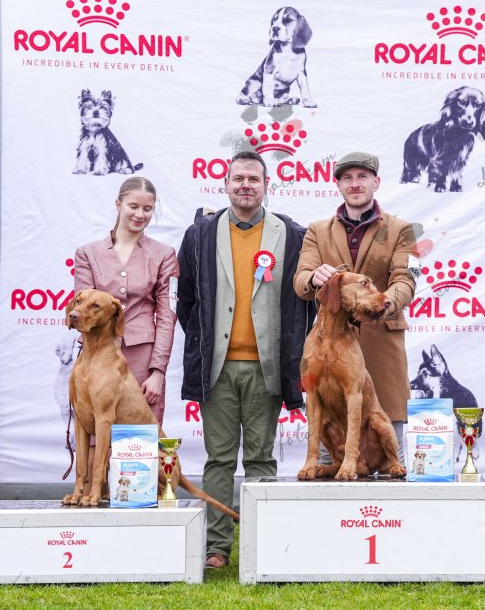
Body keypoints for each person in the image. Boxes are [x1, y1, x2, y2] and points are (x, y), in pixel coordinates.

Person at [177, 151, 313, 570]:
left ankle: (261, 542)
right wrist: (204, 342)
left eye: (254, 178)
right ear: (225, 185)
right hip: (217, 367)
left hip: (266, 368)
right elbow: (187, 301)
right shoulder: (199, 235)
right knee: (218, 458)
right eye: (238, 178)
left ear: (267, 185)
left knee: (260, 458)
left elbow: (301, 303)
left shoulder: (292, 234)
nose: (246, 185)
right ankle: (216, 547)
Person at [293, 151, 416, 456]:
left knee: (391, 455)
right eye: (347, 178)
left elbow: (406, 280)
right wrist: (314, 278)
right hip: (328, 348)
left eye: (362, 176)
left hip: (382, 349)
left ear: (376, 182)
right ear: (338, 185)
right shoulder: (316, 230)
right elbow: (301, 280)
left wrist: (382, 303)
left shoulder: (402, 230)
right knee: (328, 455)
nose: (355, 183)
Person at [74, 176, 178, 425]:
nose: (140, 214)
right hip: (95, 354)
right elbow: (83, 311)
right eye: (134, 206)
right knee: (95, 433)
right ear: (118, 204)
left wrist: (158, 372)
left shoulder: (165, 255)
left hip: (142, 359)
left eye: (147, 208)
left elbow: (167, 316)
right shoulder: (87, 253)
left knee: (138, 440)